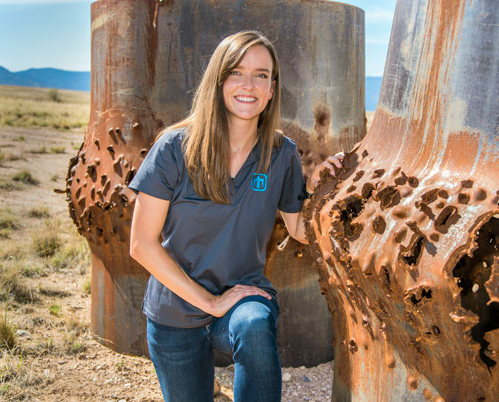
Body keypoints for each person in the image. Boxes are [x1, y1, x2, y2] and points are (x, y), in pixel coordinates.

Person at [129, 31, 343, 402]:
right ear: (218, 80)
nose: (249, 85)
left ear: (272, 89)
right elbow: (141, 245)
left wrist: (325, 190)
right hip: (175, 309)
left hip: (242, 296)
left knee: (256, 325)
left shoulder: (281, 153)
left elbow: (300, 230)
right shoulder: (174, 148)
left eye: (261, 75)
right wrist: (209, 302)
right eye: (237, 73)